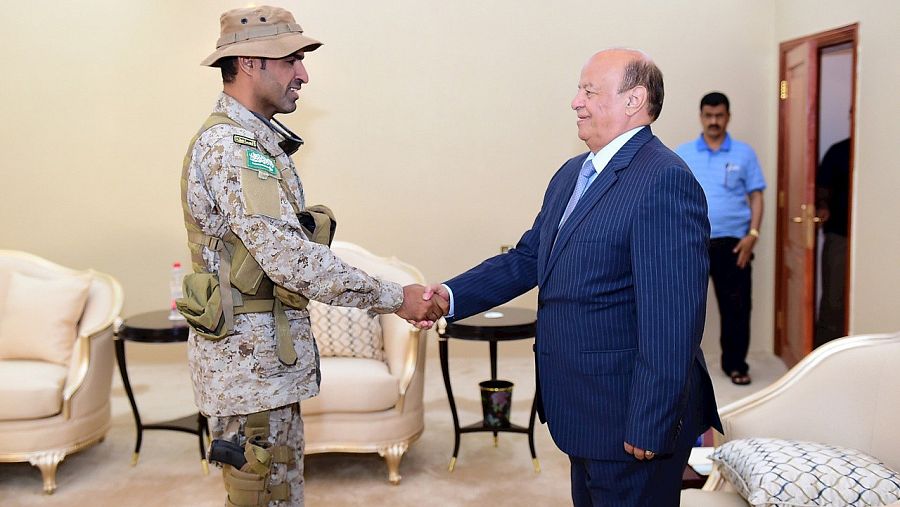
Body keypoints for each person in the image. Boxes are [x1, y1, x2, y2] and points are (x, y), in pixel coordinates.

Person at [424, 49, 721, 506]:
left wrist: (651, 421)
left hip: (629, 416)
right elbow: (528, 258)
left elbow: (673, 320)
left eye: (589, 91)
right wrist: (447, 296)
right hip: (583, 411)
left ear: (633, 100)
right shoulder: (571, 174)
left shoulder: (664, 179)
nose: (575, 102)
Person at [180, 6, 444, 506]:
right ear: (251, 62)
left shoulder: (255, 142)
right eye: (291, 60)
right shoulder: (234, 147)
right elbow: (289, 259)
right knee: (266, 495)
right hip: (252, 377)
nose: (303, 74)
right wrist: (396, 297)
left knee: (279, 493)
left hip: (263, 373)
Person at [675, 92, 766, 386]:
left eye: (719, 116)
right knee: (684, 309)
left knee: (737, 309)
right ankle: (680, 368)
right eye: (709, 116)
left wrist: (753, 235)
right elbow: (673, 196)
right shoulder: (683, 154)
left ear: (728, 117)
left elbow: (756, 196)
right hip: (693, 243)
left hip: (734, 245)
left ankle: (736, 365)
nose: (714, 121)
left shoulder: (744, 154)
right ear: (701, 117)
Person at [814, 137, 850, 347]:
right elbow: (822, 188)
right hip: (839, 236)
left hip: (873, 238)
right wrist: (823, 206)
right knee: (833, 298)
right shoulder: (838, 151)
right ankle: (826, 349)